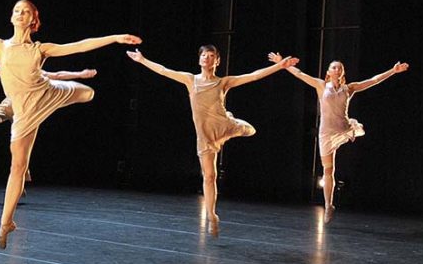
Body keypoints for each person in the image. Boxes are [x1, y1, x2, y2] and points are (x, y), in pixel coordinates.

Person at [0, 0, 141, 249]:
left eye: (25, 11)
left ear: (33, 20)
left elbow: (78, 46)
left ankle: (9, 112)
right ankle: (5, 223)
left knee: (88, 92)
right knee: (17, 166)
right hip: (24, 112)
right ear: (11, 18)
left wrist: (115, 37)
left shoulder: (40, 49)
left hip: (49, 93)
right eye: (17, 10)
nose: (20, 14)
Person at [126, 46, 298, 236]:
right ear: (199, 60)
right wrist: (142, 60)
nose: (206, 58)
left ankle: (234, 122)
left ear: (217, 61)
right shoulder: (190, 80)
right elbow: (164, 70)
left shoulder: (223, 82)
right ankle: (211, 216)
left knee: (250, 130)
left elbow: (254, 76)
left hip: (224, 126)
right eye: (203, 55)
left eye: (211, 56)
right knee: (209, 177)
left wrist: (280, 66)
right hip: (205, 136)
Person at [268, 54, 409, 223]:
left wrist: (393, 71)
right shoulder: (321, 85)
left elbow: (373, 80)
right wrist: (282, 62)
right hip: (326, 133)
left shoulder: (349, 88)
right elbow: (299, 73)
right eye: (334, 67)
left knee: (356, 129)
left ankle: (355, 129)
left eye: (340, 68)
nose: (338, 69)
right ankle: (329, 205)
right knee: (328, 170)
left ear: (342, 73)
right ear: (328, 71)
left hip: (343, 128)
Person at [0, 58, 98, 187]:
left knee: (19, 143)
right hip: (25, 109)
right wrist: (80, 74)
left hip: (24, 109)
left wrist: (80, 74)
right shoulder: (19, 73)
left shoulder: (37, 75)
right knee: (12, 122)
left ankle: (21, 175)